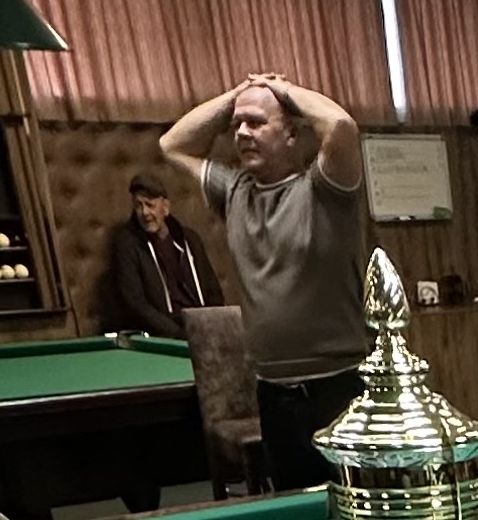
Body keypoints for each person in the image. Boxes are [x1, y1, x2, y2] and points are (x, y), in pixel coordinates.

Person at [157, 72, 366, 486]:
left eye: (256, 122)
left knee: (357, 509)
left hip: (339, 389)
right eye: (237, 124)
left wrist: (282, 91)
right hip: (274, 395)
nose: (241, 133)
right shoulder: (234, 191)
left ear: (291, 134)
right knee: (295, 511)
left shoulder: (326, 188)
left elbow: (341, 125)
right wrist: (238, 95)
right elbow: (172, 145)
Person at [97, 170, 222, 339]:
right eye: (138, 206)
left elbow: (214, 291)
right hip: (163, 333)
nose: (144, 213)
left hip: (200, 325)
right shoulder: (127, 244)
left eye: (150, 205)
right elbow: (136, 303)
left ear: (165, 207)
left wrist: (213, 325)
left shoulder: (189, 239)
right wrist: (178, 334)